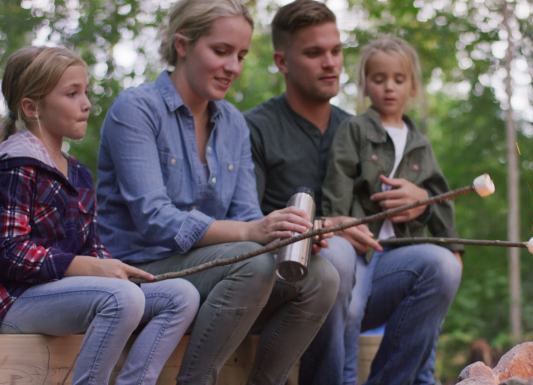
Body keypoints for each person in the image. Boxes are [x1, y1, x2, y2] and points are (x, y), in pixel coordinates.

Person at [96, 1, 338, 384]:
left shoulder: (234, 125)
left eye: (241, 55)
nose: (234, 68)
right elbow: (154, 219)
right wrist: (250, 234)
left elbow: (245, 215)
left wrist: (288, 235)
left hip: (218, 270)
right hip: (143, 269)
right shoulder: (136, 109)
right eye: (221, 52)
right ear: (182, 45)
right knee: (252, 261)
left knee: (322, 275)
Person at [245, 2, 462, 383]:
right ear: (281, 62)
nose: (330, 63)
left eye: (336, 51)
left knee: (440, 265)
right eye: (314, 53)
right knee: (340, 255)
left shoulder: (363, 130)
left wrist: (420, 203)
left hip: (363, 275)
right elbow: (247, 221)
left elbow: (406, 206)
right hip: (289, 279)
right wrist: (326, 225)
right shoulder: (255, 129)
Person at [0, 46, 199, 385]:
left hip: (69, 295)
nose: (87, 103)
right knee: (121, 298)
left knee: (181, 295)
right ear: (32, 107)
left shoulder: (78, 173)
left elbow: (92, 248)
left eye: (86, 92)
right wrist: (82, 267)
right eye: (72, 93)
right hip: (18, 302)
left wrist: (116, 269)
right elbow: (10, 251)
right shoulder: (15, 165)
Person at [322, 36, 463, 385]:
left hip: (401, 250)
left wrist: (453, 246)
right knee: (351, 309)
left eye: (398, 80)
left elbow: (439, 197)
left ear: (412, 86)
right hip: (360, 248)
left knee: (436, 288)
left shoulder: (420, 143)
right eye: (379, 79)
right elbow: (337, 184)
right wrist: (341, 223)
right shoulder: (353, 130)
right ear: (365, 83)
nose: (388, 88)